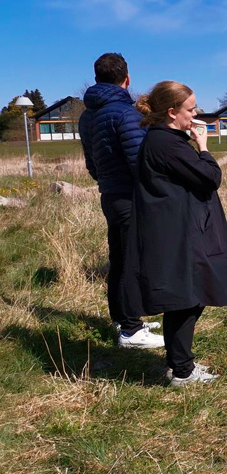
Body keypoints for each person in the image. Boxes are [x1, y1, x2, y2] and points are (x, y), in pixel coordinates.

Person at [124, 81, 227, 386]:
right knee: (186, 297)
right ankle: (182, 370)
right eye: (191, 109)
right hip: (174, 234)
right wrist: (203, 147)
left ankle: (180, 365)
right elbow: (210, 177)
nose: (196, 113)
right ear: (172, 112)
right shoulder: (167, 144)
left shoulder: (166, 139)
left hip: (174, 229)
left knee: (186, 297)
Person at [79, 53, 164, 349]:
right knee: (131, 261)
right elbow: (139, 161)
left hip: (109, 193)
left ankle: (121, 316)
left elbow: (91, 162)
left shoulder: (88, 114)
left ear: (96, 79)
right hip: (129, 196)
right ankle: (130, 330)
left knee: (118, 259)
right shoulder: (125, 113)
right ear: (127, 79)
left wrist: (105, 180)